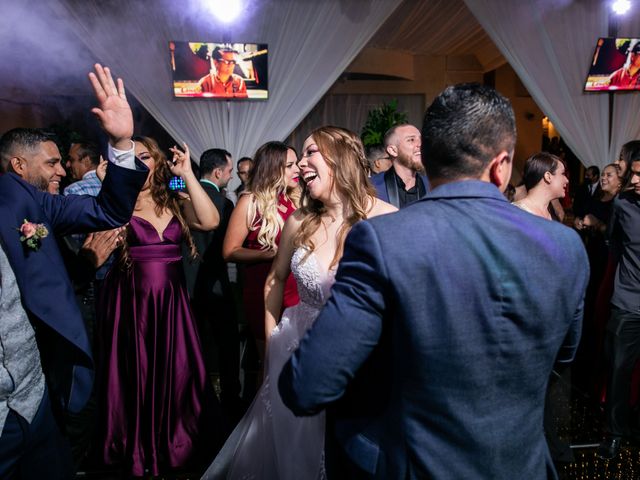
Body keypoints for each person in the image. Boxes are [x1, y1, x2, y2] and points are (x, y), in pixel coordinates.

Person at [279, 83, 589, 479]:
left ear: (429, 159)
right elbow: (563, 355)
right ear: (502, 166)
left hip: (410, 464)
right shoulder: (566, 247)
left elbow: (307, 385)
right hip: (522, 466)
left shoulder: (382, 239)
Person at [202, 126, 395, 480]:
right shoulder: (298, 221)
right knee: (293, 453)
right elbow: (274, 281)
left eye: (309, 153)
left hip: (360, 355)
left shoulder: (387, 218)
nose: (300, 164)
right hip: (294, 347)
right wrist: (272, 341)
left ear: (340, 156)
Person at [0, 63, 149, 479]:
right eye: (52, 163)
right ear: (19, 165)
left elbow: (108, 209)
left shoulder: (23, 202)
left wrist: (121, 141)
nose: (63, 171)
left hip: (35, 400)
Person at [96, 137, 221, 477]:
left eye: (146, 156)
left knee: (178, 374)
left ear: (158, 161)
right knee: (136, 375)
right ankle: (136, 448)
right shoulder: (118, 198)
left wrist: (187, 175)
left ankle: (176, 444)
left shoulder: (173, 188)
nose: (139, 163)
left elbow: (210, 221)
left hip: (172, 303)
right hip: (131, 304)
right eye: (131, 158)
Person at [222, 142, 300, 364]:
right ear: (273, 168)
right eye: (290, 166)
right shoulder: (250, 201)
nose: (298, 170)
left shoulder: (294, 199)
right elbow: (229, 251)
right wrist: (268, 254)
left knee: (294, 361)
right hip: (264, 287)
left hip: (296, 288)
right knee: (271, 360)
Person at [185, 148, 242, 419]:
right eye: (230, 172)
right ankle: (230, 399)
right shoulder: (224, 203)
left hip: (186, 282)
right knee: (226, 343)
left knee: (195, 342)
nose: (230, 177)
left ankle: (195, 398)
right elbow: (226, 247)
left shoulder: (183, 197)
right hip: (216, 283)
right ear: (218, 172)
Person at [597, 157, 640, 459]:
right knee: (618, 370)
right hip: (628, 302)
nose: (634, 180)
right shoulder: (622, 204)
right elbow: (613, 242)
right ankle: (614, 433)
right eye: (634, 173)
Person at [370, 124, 429, 208]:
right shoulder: (371, 187)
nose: (420, 144)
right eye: (411, 140)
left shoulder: (434, 186)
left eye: (421, 139)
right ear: (393, 150)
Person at [513, 152, 569, 221]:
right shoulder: (514, 212)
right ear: (548, 177)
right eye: (562, 173)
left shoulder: (551, 216)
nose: (567, 180)